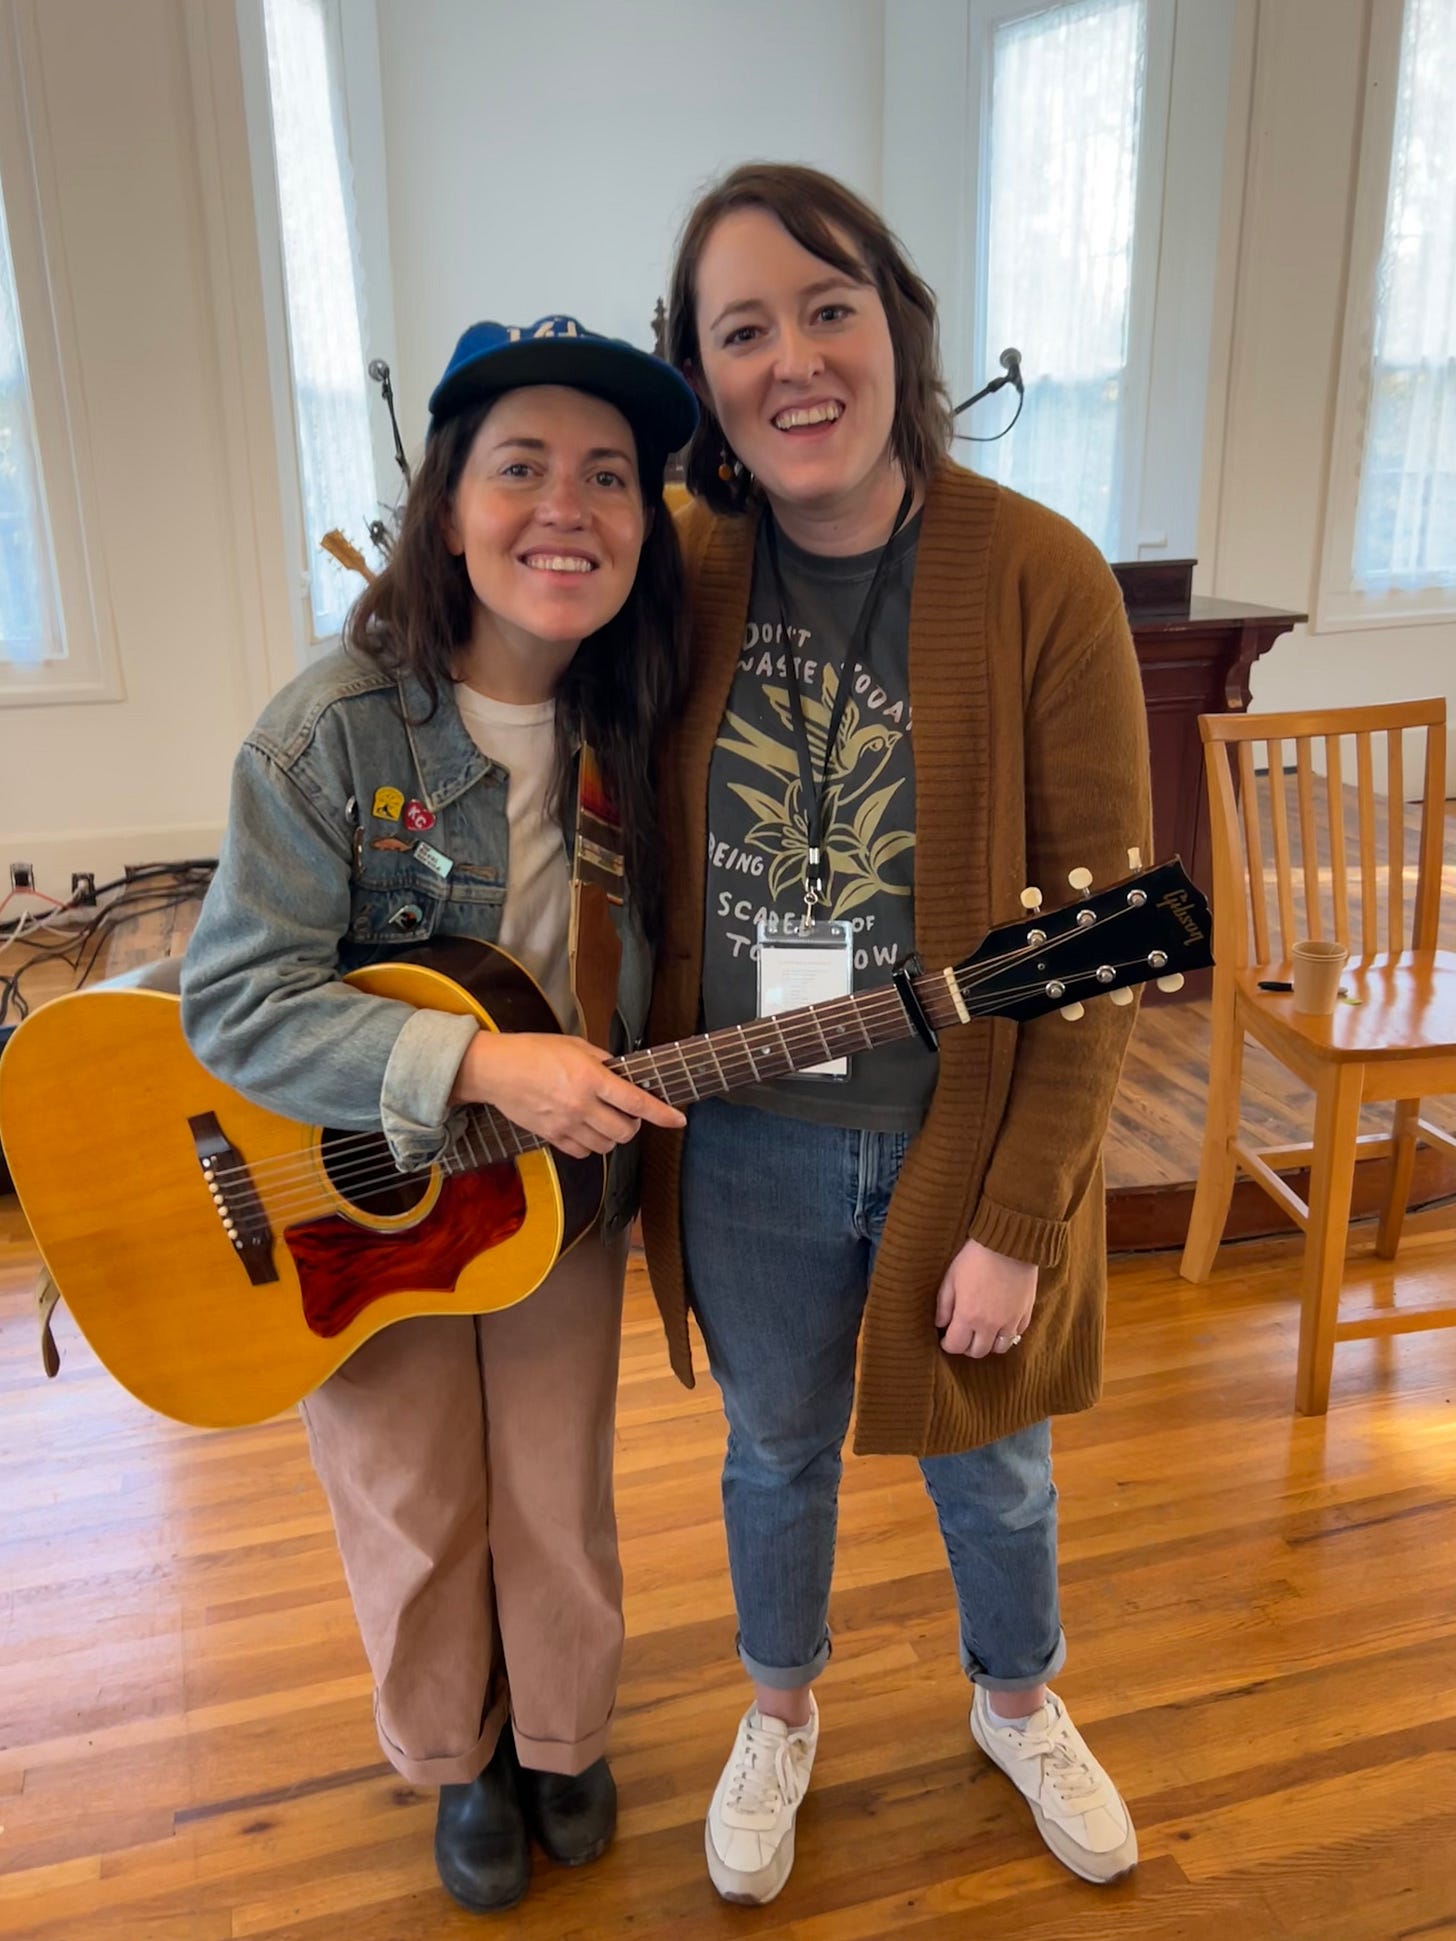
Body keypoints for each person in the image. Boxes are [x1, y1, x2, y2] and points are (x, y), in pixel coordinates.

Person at [639, 164, 1153, 1906]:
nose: (793, 359)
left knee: (995, 1465)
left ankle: (1019, 1701)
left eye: (828, 308)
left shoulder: (1039, 575)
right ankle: (777, 1708)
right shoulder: (682, 566)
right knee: (772, 1449)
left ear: (898, 324)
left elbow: (1099, 946)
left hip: (962, 1124)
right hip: (747, 1135)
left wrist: (1020, 1217)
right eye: (743, 329)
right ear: (701, 377)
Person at [181, 315, 696, 1914]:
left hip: (554, 1191)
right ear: (449, 504)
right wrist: (473, 1067)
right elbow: (236, 1003)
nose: (566, 509)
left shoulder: (645, 721)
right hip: (358, 1193)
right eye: (521, 467)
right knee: (411, 1494)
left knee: (555, 1478)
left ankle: (560, 1734)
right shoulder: (328, 731)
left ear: (645, 522)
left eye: (608, 476)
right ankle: (459, 1754)